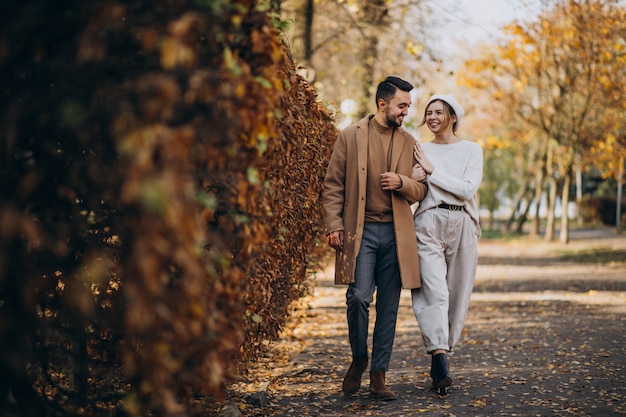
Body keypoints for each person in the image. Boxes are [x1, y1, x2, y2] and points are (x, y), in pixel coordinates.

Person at [323, 76, 427, 401]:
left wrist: (402, 182)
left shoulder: (410, 142)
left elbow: (421, 189)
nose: (406, 112)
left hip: (397, 235)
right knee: (358, 297)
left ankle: (379, 375)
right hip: (361, 233)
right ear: (383, 104)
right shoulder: (350, 136)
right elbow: (333, 185)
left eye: (408, 106)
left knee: (390, 307)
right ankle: (359, 358)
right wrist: (333, 225)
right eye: (402, 105)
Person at [410, 95, 483, 395]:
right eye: (428, 112)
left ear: (453, 117)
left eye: (438, 112)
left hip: (463, 222)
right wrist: (416, 173)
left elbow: (467, 190)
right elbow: (415, 187)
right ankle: (439, 356)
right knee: (433, 290)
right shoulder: (419, 149)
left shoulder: (471, 150)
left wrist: (431, 169)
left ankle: (444, 349)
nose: (432, 117)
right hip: (428, 222)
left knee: (456, 292)